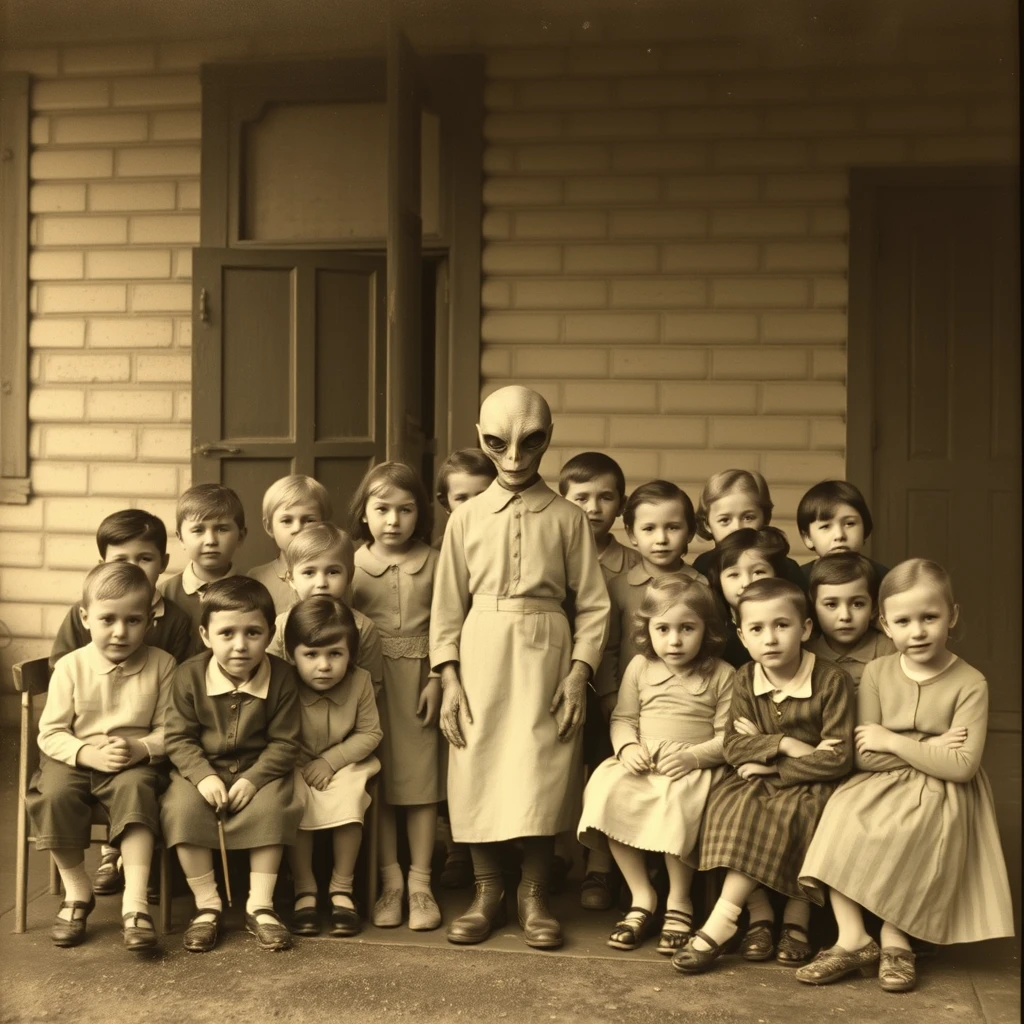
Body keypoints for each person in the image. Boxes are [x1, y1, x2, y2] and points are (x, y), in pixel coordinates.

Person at [431, 385, 610, 950]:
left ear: (548, 440)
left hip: (547, 654)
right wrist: (450, 677)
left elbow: (594, 604)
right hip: (480, 651)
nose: (513, 459)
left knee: (542, 768)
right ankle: (487, 894)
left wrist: (579, 672)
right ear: (481, 442)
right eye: (497, 444)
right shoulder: (466, 519)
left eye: (529, 443)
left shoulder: (567, 518)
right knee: (477, 767)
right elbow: (446, 605)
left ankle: (534, 895)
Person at [797, 559, 1014, 991]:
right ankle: (853, 937)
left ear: (952, 616)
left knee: (918, 827)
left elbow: (962, 765)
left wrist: (894, 740)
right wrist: (932, 747)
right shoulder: (877, 673)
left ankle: (897, 938)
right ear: (886, 624)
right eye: (903, 621)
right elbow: (862, 756)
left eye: (930, 618)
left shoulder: (971, 682)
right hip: (877, 783)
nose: (917, 632)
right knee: (841, 814)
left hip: (945, 791)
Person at [672, 578, 854, 976]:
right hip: (756, 777)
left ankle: (773, 919)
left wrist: (772, 758)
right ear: (743, 635)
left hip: (813, 786)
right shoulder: (745, 678)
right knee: (732, 807)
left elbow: (837, 758)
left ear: (805, 629)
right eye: (757, 629)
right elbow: (735, 746)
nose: (770, 639)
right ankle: (760, 917)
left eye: (782, 626)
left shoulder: (830, 680)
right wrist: (790, 744)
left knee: (797, 815)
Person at [578, 577, 734, 955]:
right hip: (644, 761)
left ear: (707, 630)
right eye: (662, 629)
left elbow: (729, 738)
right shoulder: (639, 668)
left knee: (678, 803)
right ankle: (642, 896)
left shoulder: (722, 673)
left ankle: (680, 900)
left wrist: (694, 757)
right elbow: (623, 718)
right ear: (647, 630)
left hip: (690, 766)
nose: (674, 640)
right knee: (608, 791)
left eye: (687, 629)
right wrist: (627, 747)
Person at [27, 561, 175, 951]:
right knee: (53, 795)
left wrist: (141, 748)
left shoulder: (162, 665)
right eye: (107, 619)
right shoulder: (71, 667)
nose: (120, 631)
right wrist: (87, 753)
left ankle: (135, 903)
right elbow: (52, 732)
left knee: (138, 794)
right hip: (76, 758)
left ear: (149, 621)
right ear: (85, 617)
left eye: (133, 620)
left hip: (133, 763)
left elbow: (171, 730)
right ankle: (78, 892)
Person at [48, 508, 191, 899]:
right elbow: (62, 671)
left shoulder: (173, 624)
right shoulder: (82, 628)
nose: (134, 569)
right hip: (88, 729)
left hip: (143, 733)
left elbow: (180, 693)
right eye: (121, 560)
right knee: (57, 789)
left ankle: (134, 872)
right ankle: (97, 870)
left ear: (162, 563)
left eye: (144, 558)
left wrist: (140, 746)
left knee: (137, 786)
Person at [160, 576, 302, 953]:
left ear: (271, 633)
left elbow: (286, 742)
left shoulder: (283, 677)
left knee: (275, 807)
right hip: (202, 770)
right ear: (206, 635)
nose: (240, 645)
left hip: (261, 771)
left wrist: (255, 779)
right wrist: (203, 776)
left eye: (253, 632)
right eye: (227, 634)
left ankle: (260, 905)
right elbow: (178, 738)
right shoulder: (189, 675)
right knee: (181, 808)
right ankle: (207, 904)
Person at [587, 478, 706, 911]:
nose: (661, 538)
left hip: (687, 711)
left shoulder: (701, 584)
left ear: (690, 532)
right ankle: (600, 870)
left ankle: (666, 876)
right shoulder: (621, 582)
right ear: (631, 533)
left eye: (673, 527)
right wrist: (609, 698)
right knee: (612, 774)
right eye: (650, 529)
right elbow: (612, 645)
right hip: (625, 702)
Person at [350, 462, 443, 932]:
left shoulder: (438, 561)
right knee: (380, 783)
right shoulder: (349, 565)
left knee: (421, 783)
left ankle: (421, 882)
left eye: (405, 510)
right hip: (366, 685)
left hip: (420, 684)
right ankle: (390, 881)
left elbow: (450, 625)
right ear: (364, 513)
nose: (393, 520)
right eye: (381, 509)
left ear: (419, 514)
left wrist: (439, 679)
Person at [284, 596, 382, 939]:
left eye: (335, 654)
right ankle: (304, 890)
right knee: (295, 799)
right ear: (291, 655)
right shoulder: (284, 682)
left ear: (350, 655)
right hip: (295, 762)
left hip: (345, 762)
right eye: (311, 654)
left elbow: (370, 732)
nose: (323, 665)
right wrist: (302, 764)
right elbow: (275, 732)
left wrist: (331, 760)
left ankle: (342, 887)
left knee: (350, 798)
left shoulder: (360, 682)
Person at [432, 448, 497, 890]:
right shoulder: (443, 551)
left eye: (482, 495)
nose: (472, 507)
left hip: (500, 663)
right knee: (458, 757)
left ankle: (507, 850)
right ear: (445, 502)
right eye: (461, 498)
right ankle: (458, 848)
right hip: (453, 665)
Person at [264, 523, 384, 692]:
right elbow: (271, 679)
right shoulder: (282, 625)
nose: (321, 583)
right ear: (291, 578)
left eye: (333, 572)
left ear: (349, 576)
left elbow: (373, 683)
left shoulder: (363, 627)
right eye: (309, 573)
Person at [161, 482, 247, 641]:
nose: (210, 541)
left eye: (222, 529)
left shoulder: (254, 593)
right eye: (198, 530)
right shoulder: (164, 595)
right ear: (180, 538)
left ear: (240, 536)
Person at [692, 469, 805, 588]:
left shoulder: (786, 567)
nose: (737, 528)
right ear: (707, 524)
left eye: (748, 518)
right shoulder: (704, 566)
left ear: (765, 518)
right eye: (725, 520)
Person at [804, 553, 895, 692]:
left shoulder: (888, 650)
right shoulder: (806, 653)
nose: (845, 616)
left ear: (874, 608)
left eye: (858, 604)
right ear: (814, 607)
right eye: (832, 605)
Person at [707, 526, 792, 669]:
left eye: (758, 572)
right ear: (719, 581)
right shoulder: (714, 630)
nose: (746, 583)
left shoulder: (788, 621)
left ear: (776, 575)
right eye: (734, 575)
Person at [247, 474, 332, 614]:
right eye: (287, 521)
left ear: (324, 525)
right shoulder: (257, 578)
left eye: (309, 520)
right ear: (269, 527)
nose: (297, 529)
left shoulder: (334, 573)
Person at [559, 452, 640, 583]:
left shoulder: (639, 565)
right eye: (581, 498)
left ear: (621, 505)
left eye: (606, 498)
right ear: (561, 505)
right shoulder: (546, 560)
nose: (594, 508)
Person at [796, 480, 887, 585]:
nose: (839, 535)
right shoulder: (798, 580)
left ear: (865, 527)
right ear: (808, 538)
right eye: (825, 526)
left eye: (849, 523)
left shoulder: (883, 579)